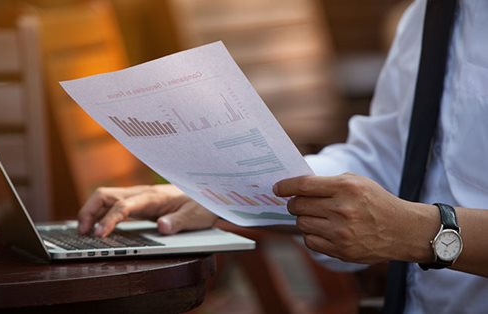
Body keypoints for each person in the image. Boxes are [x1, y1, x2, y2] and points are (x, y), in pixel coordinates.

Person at [78, 0, 488, 312]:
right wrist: (224, 192)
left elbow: (402, 215)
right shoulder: (432, 14)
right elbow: (387, 159)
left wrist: (420, 233)